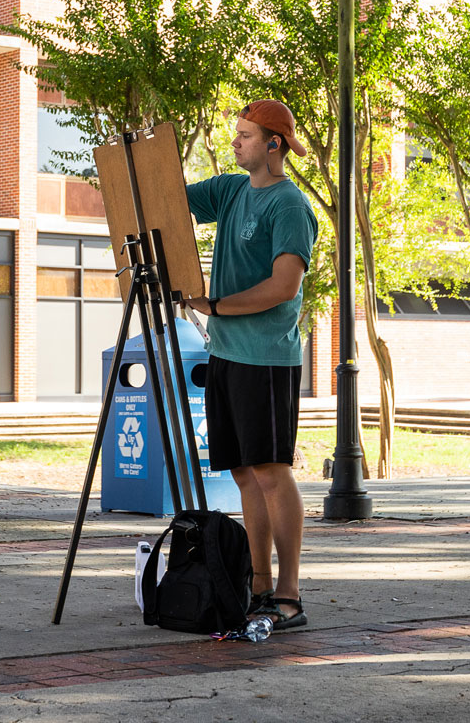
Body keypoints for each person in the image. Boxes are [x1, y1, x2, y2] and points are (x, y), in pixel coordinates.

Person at [181, 101, 318, 632]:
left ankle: (288, 595)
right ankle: (258, 585)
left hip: (265, 357)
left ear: (274, 145)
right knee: (242, 473)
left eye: (245, 136)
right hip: (225, 353)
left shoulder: (290, 206)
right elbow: (170, 198)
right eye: (235, 135)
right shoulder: (233, 191)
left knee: (270, 471)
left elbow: (284, 287)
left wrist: (212, 304)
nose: (236, 143)